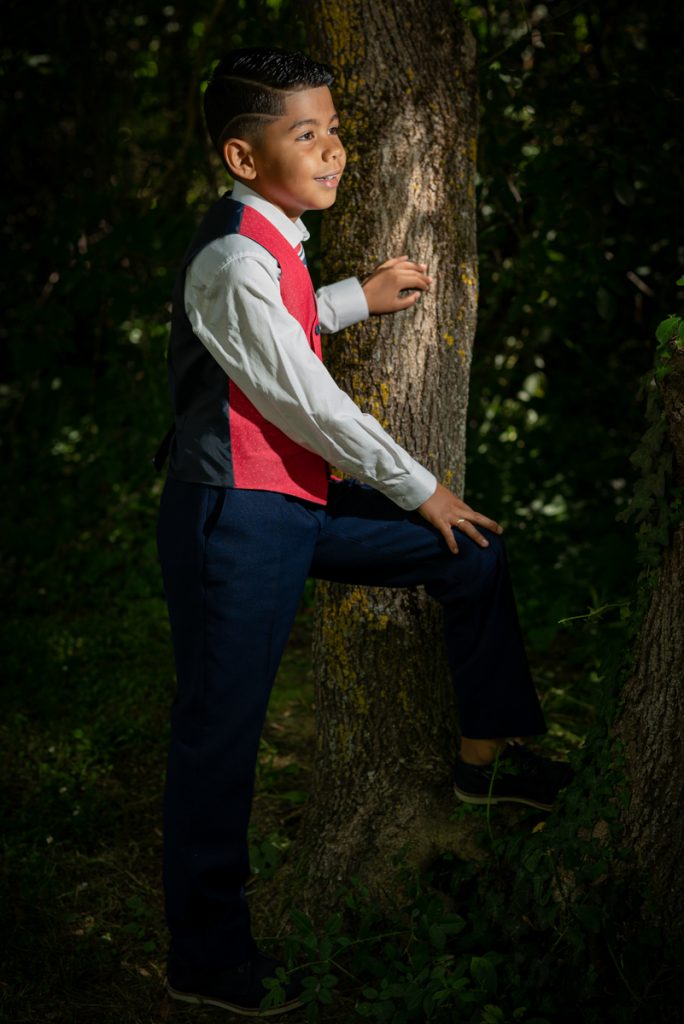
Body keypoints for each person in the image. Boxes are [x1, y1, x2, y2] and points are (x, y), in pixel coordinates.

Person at [156, 45, 572, 1016]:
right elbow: (306, 401)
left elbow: (280, 336)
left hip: (293, 506)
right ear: (243, 158)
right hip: (232, 522)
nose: (335, 151)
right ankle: (206, 955)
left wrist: (354, 297)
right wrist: (421, 484)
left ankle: (484, 764)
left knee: (471, 550)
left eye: (335, 131)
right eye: (308, 136)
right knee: (221, 739)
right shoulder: (227, 253)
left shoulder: (279, 242)